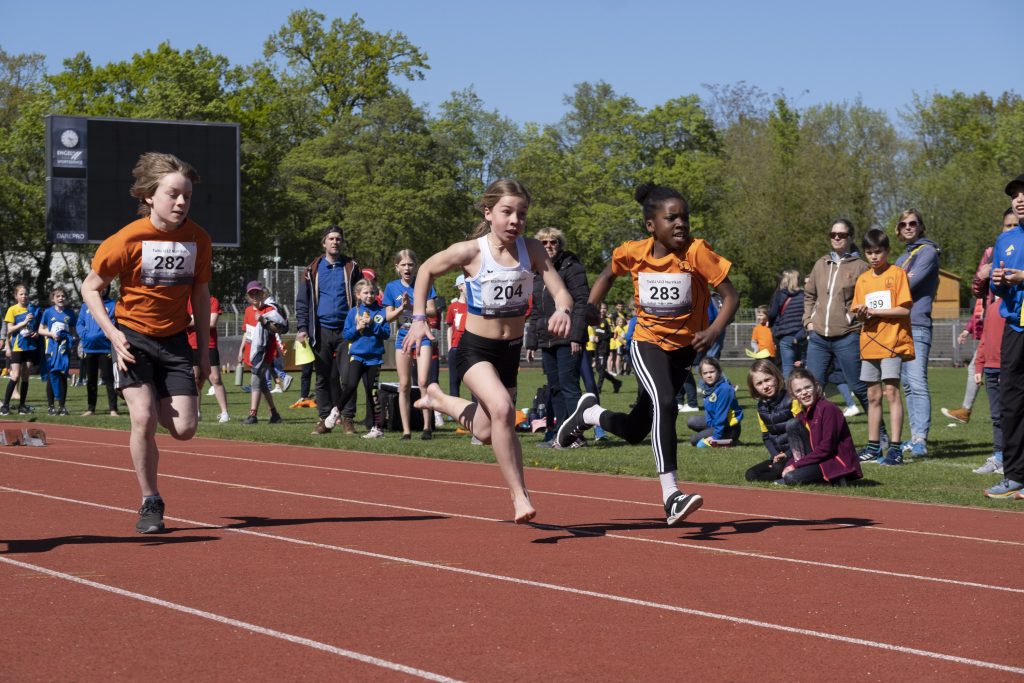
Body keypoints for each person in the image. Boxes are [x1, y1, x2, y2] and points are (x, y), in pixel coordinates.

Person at [555, 182, 739, 526]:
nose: (681, 224)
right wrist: (592, 305)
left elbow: (731, 297)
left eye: (685, 217)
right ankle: (672, 495)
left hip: (683, 349)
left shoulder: (697, 252)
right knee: (666, 403)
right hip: (647, 341)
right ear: (651, 225)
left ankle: (589, 415)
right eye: (672, 218)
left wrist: (714, 330)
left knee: (636, 429)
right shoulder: (633, 252)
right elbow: (607, 274)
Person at [402, 178, 572, 523]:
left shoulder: (532, 250)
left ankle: (439, 400)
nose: (515, 221)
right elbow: (426, 269)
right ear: (488, 213)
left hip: (509, 351)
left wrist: (563, 310)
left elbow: (561, 291)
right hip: (474, 349)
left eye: (522, 214)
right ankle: (519, 495)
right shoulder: (471, 251)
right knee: (503, 409)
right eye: (507, 212)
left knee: (485, 429)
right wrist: (419, 319)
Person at [80, 152, 212, 534]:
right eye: (173, 194)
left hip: (174, 340)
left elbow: (201, 295)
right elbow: (90, 288)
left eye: (187, 196)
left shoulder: (198, 239)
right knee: (142, 418)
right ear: (150, 196)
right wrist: (113, 332)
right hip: (132, 337)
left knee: (185, 429)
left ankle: (158, 401)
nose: (181, 202)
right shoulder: (126, 239)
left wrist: (203, 352)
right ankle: (150, 499)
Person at [942, 209, 1018, 424]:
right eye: (1008, 225)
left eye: (1015, 225)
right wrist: (982, 275)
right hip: (994, 321)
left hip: (1015, 319)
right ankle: (970, 411)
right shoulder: (992, 251)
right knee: (979, 366)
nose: (1012, 229)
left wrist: (993, 269)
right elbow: (977, 290)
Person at [803, 219, 877, 440]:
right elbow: (809, 294)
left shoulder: (861, 266)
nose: (836, 238)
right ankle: (813, 438)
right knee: (811, 388)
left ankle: (879, 437)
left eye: (842, 235)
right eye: (833, 234)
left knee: (859, 387)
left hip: (847, 336)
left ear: (851, 238)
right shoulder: (821, 263)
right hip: (818, 337)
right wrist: (808, 321)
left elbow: (867, 300)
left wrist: (852, 320)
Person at [851, 228, 915, 466]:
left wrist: (875, 311)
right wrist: (862, 313)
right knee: (872, 395)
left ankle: (895, 448)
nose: (874, 257)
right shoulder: (863, 279)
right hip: (869, 342)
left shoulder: (897, 274)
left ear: (887, 251)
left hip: (892, 342)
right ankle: (873, 446)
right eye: (869, 253)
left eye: (878, 252)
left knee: (891, 392)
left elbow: (904, 309)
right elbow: (858, 314)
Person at [525, 227, 590, 447]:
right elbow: (536, 310)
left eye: (553, 242)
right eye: (544, 243)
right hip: (547, 339)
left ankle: (577, 436)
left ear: (560, 245)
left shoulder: (572, 267)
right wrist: (531, 342)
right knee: (554, 388)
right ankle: (560, 435)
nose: (549, 246)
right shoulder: (537, 273)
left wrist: (576, 337)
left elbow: (581, 303)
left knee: (569, 387)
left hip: (568, 338)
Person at [295, 225, 361, 435]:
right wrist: (302, 328)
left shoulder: (351, 267)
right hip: (320, 331)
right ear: (324, 243)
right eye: (331, 239)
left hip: (347, 331)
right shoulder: (312, 269)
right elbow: (302, 302)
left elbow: (362, 296)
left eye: (338, 239)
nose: (335, 242)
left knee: (348, 378)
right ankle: (325, 419)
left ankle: (348, 418)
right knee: (322, 378)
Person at [985, 175, 1024, 499]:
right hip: (1016, 327)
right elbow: (995, 287)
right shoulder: (1005, 239)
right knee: (1011, 402)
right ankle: (1015, 475)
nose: (1019, 199)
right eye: (1015, 195)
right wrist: (997, 280)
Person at [894, 209, 940, 458]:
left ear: (921, 226)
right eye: (904, 224)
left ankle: (921, 438)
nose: (908, 227)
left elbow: (905, 285)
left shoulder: (927, 252)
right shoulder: (902, 257)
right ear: (899, 229)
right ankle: (913, 437)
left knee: (918, 381)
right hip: (898, 325)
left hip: (918, 324)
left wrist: (893, 281)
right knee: (908, 385)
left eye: (913, 223)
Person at [384, 249, 437, 439]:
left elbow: (432, 310)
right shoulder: (391, 287)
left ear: (416, 266)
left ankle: (427, 427)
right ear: (397, 267)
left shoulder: (425, 283)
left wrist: (413, 307)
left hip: (422, 334)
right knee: (404, 384)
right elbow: (388, 316)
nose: (407, 268)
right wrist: (401, 308)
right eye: (403, 265)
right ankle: (406, 431)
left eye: (410, 264)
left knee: (422, 381)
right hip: (403, 336)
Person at [779, 368, 862, 485]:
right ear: (793, 395)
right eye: (798, 390)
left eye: (808, 387)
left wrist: (796, 466)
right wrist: (789, 465)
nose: (804, 392)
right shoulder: (801, 415)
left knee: (791, 477)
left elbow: (827, 447)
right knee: (792, 425)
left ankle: (838, 477)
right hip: (818, 458)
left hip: (835, 460)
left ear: (816, 386)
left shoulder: (828, 409)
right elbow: (800, 448)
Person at [337, 278, 390, 439]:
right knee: (350, 385)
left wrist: (373, 324)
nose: (369, 295)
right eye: (366, 293)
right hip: (357, 356)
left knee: (372, 393)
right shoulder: (353, 312)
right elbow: (346, 335)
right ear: (358, 295)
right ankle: (335, 412)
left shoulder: (381, 311)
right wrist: (357, 327)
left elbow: (386, 334)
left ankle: (377, 428)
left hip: (374, 358)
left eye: (372, 292)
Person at [238, 281, 287, 425]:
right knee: (262, 383)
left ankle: (252, 415)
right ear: (248, 296)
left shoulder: (270, 310)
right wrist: (241, 349)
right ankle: (274, 414)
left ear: (263, 294)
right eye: (251, 294)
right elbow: (246, 332)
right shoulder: (248, 311)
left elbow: (279, 329)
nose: (254, 296)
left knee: (255, 379)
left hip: (265, 351)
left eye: (257, 293)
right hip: (252, 351)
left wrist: (264, 321)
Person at [744, 359, 800, 482]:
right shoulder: (761, 408)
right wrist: (775, 455)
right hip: (778, 455)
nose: (765, 386)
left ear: (776, 376)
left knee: (776, 470)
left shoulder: (792, 400)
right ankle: (780, 475)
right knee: (750, 474)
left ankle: (785, 475)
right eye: (759, 383)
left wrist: (787, 454)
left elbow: (803, 434)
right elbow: (766, 437)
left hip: (797, 453)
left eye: (767, 380)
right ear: (754, 388)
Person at [972, 291, 1005, 475]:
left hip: (1008, 369)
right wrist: (979, 366)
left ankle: (1012, 458)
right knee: (997, 417)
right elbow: (984, 338)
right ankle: (999, 457)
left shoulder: (1016, 307)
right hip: (991, 370)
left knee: (1012, 416)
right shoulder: (991, 308)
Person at [76, 284, 119, 416]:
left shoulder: (113, 305)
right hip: (89, 348)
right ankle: (91, 409)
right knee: (91, 380)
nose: (102, 289)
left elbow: (114, 322)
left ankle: (113, 409)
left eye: (104, 287)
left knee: (109, 379)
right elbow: (79, 324)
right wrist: (85, 336)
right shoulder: (86, 305)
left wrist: (105, 334)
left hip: (106, 348)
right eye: (100, 286)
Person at [188, 294, 230, 422]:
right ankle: (197, 412)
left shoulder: (212, 300)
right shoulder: (185, 300)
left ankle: (224, 413)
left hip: (209, 345)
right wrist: (203, 317)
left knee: (215, 378)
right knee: (195, 379)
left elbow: (212, 323)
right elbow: (182, 322)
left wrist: (192, 319)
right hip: (191, 345)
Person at [1, 284, 40, 416]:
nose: (24, 296)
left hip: (30, 346)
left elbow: (36, 327)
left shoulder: (33, 309)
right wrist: (23, 322)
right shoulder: (12, 310)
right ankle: (5, 406)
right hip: (18, 347)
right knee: (15, 375)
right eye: (21, 294)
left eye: (26, 294)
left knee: (26, 376)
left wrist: (36, 334)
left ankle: (22, 406)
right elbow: (10, 329)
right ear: (16, 296)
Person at [685, 356, 742, 447]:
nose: (709, 375)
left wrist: (715, 437)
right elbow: (709, 413)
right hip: (715, 424)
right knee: (691, 421)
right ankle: (717, 435)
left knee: (694, 441)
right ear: (701, 375)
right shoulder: (708, 388)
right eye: (705, 373)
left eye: (712, 372)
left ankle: (731, 439)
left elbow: (721, 416)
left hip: (729, 428)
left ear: (719, 372)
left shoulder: (725, 389)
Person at [38, 286, 76, 416]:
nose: (61, 298)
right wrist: (51, 334)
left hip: (64, 350)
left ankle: (62, 406)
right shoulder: (48, 312)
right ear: (53, 299)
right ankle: (51, 406)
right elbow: (40, 330)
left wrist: (71, 341)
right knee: (52, 376)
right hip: (51, 349)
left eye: (63, 296)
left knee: (63, 376)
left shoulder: (70, 313)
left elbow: (72, 331)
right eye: (58, 296)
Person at [767, 268, 806, 377]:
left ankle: (789, 387)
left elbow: (772, 314)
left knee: (787, 367)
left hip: (786, 334)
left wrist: (771, 323)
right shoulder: (804, 295)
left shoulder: (780, 294)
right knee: (802, 366)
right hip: (802, 335)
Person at [445, 275, 469, 399]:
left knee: (475, 382)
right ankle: (454, 407)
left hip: (471, 348)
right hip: (455, 347)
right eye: (466, 284)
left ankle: (477, 407)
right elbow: (450, 327)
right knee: (454, 382)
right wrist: (450, 347)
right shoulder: (452, 307)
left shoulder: (475, 306)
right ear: (460, 287)